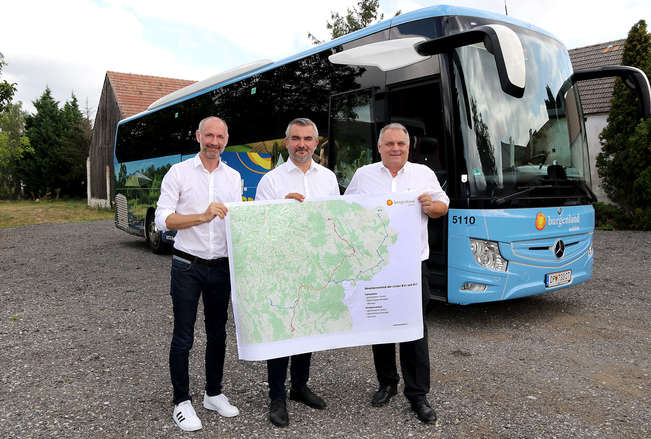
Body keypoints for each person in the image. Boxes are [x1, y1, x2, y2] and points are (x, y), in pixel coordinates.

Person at [344, 122, 449, 424]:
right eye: (389, 144)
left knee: (414, 329)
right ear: (379, 147)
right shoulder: (364, 175)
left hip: (413, 265)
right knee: (382, 326)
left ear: (408, 147)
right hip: (377, 266)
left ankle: (418, 395)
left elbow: (444, 204)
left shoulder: (423, 174)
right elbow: (345, 207)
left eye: (400, 144)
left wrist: (433, 207)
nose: (395, 148)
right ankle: (387, 382)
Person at [155, 116, 242, 432]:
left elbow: (239, 219)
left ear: (226, 140)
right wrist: (202, 216)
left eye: (220, 137)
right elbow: (162, 220)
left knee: (218, 334)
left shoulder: (233, 177)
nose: (214, 142)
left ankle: (213, 393)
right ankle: (181, 401)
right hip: (186, 265)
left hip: (221, 266)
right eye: (209, 135)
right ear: (198, 136)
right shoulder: (178, 173)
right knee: (184, 336)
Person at [255, 118, 340, 428]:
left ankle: (299, 386)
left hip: (315, 265)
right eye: (295, 138)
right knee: (281, 329)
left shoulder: (329, 179)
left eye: (307, 139)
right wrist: (281, 206)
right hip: (282, 265)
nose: (301, 144)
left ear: (316, 143)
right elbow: (259, 225)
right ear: (287, 142)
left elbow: (335, 218)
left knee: (306, 327)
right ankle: (276, 395)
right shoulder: (271, 181)